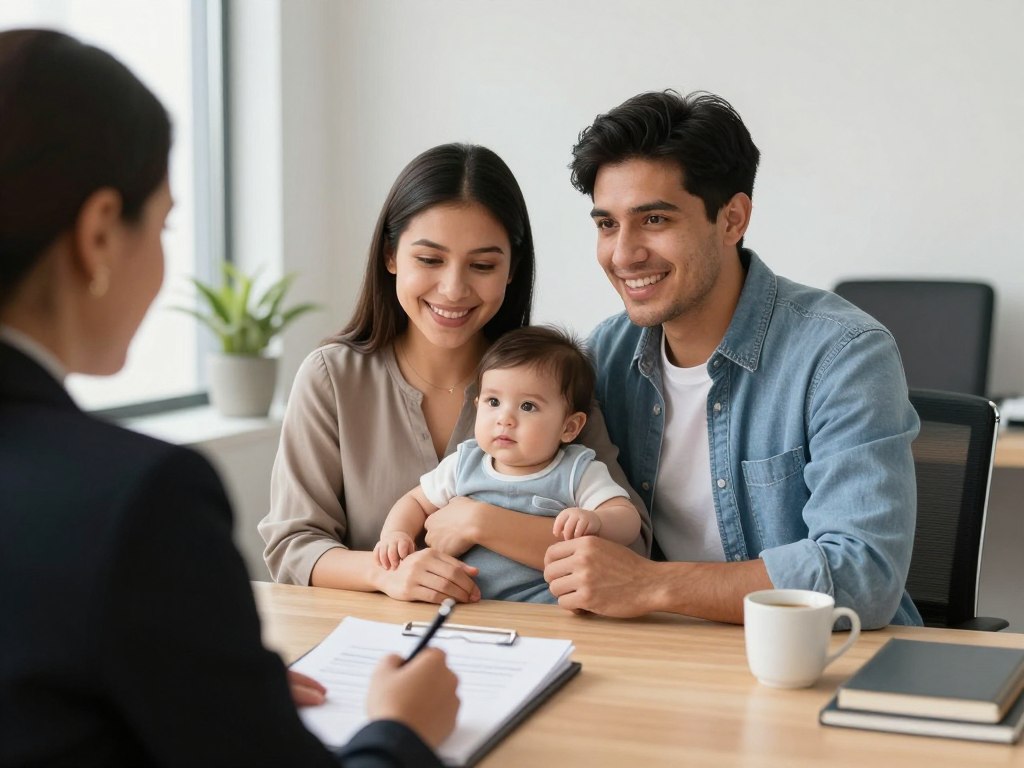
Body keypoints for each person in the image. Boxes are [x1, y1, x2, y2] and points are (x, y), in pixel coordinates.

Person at [0, 29, 459, 767]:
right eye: (166, 223)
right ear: (97, 235)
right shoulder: (140, 498)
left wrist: (202, 678)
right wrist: (401, 729)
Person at [543, 90, 922, 629]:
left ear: (732, 219)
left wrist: (649, 585)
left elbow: (862, 575)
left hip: (818, 667)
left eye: (653, 219)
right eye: (607, 224)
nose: (623, 254)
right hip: (662, 662)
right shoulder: (604, 356)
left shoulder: (843, 355)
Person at [259, 145, 650, 603]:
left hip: (531, 644)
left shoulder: (551, 380)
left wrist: (482, 521)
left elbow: (632, 548)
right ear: (390, 256)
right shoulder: (332, 378)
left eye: (483, 265)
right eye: (429, 260)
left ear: (510, 271)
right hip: (380, 648)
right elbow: (293, 546)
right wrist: (385, 574)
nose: (453, 289)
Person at [374, 325, 642, 603]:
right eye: (493, 401)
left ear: (569, 426)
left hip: (546, 604)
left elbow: (628, 520)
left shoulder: (577, 471)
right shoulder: (465, 463)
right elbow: (415, 502)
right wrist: (396, 533)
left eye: (527, 406)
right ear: (477, 404)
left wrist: (597, 520)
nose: (505, 418)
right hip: (464, 600)